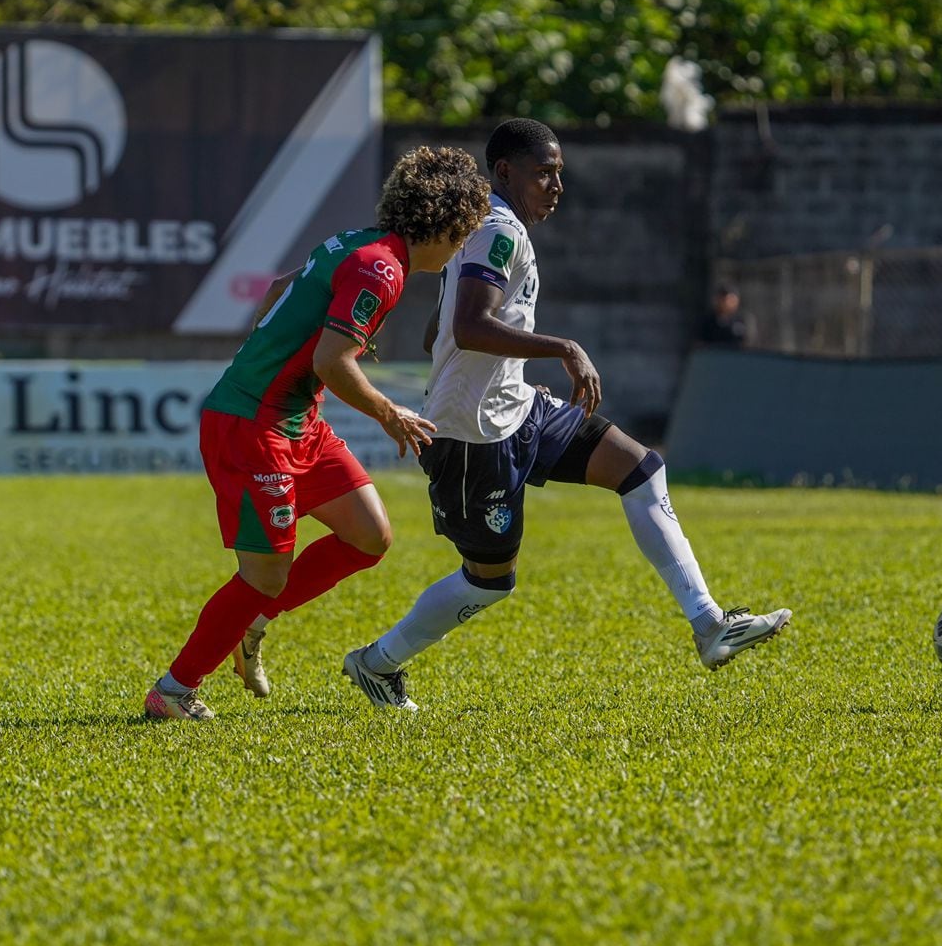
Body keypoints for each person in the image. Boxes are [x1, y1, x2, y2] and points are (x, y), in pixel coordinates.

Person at [311, 118, 789, 711]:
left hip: (518, 409)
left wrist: (494, 363)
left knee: (641, 470)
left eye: (558, 173)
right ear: (504, 171)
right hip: (471, 434)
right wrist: (564, 348)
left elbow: (442, 328)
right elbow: (468, 326)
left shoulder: (486, 227)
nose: (556, 186)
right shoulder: (497, 230)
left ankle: (709, 623)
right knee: (490, 582)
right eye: (543, 173)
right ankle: (378, 662)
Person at [143, 145, 491, 721]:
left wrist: (272, 349)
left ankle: (253, 621)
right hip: (253, 425)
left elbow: (281, 288)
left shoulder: (356, 243)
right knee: (265, 574)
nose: (462, 246)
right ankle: (174, 691)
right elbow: (333, 361)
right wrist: (390, 412)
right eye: (465, 233)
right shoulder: (383, 269)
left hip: (297, 420)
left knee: (368, 535)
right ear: (448, 223)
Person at [698, 282, 755, 348]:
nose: (726, 302)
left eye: (730, 299)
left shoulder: (744, 320)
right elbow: (700, 343)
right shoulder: (707, 320)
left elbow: (749, 344)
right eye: (723, 299)